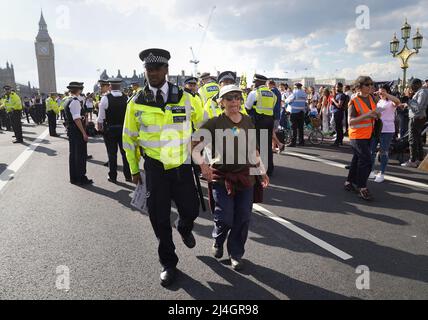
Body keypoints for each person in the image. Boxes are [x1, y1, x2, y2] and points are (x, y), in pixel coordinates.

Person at [122, 48, 200, 287]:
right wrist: (134, 169)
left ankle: (184, 226)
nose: (152, 73)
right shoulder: (136, 103)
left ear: (166, 70)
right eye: (148, 69)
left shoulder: (185, 97)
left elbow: (203, 124)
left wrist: (198, 148)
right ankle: (168, 262)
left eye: (157, 68)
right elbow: (129, 138)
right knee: (159, 218)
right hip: (155, 167)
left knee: (191, 209)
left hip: (182, 164)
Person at [193, 84, 269, 271]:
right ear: (221, 102)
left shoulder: (248, 121)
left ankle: (235, 254)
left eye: (237, 97)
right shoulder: (214, 123)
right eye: (229, 98)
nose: (234, 101)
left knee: (243, 217)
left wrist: (262, 170)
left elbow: (254, 149)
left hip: (245, 177)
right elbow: (194, 145)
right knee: (225, 217)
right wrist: (203, 165)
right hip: (221, 177)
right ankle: (218, 240)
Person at [344, 76, 380, 201]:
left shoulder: (371, 98)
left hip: (368, 134)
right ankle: (362, 187)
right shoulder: (354, 101)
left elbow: (373, 113)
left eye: (371, 84)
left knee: (357, 159)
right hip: (357, 135)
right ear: (359, 87)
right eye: (367, 84)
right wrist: (367, 115)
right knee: (367, 161)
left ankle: (349, 182)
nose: (371, 86)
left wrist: (376, 114)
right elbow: (350, 121)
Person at [97, 78, 132, 183]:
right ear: (120, 86)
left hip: (110, 129)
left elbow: (101, 117)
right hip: (124, 129)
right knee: (125, 153)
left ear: (110, 86)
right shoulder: (127, 97)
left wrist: (99, 127)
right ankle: (128, 175)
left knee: (112, 154)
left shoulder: (105, 98)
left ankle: (113, 176)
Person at [245, 74, 276, 176]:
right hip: (269, 120)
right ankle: (269, 168)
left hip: (259, 121)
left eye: (255, 82)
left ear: (258, 82)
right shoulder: (272, 93)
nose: (254, 84)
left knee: (257, 145)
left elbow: (247, 107)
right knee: (267, 144)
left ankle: (259, 169)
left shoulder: (255, 93)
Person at [369, 84, 401, 183]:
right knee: (371, 151)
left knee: (383, 152)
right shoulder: (380, 101)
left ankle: (382, 173)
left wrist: (386, 94)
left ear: (387, 91)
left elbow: (397, 102)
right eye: (380, 92)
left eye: (382, 91)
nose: (380, 93)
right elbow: (378, 113)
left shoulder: (391, 102)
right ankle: (371, 171)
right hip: (377, 129)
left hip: (387, 130)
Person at [64, 82, 93, 186]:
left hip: (71, 130)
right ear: (79, 90)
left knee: (73, 154)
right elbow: (77, 119)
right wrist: (84, 133)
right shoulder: (75, 101)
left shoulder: (67, 100)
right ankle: (81, 178)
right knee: (80, 155)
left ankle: (74, 178)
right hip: (76, 130)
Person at [400, 78, 428, 167]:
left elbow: (417, 108)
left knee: (412, 139)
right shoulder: (421, 92)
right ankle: (419, 159)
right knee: (418, 139)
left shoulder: (422, 93)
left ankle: (412, 160)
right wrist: (406, 105)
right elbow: (416, 105)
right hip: (418, 117)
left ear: (416, 85)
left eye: (411, 85)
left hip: (416, 118)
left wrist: (408, 99)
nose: (410, 88)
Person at [284, 83, 307, 147]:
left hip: (294, 112)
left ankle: (293, 142)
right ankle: (301, 142)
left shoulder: (294, 93)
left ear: (296, 87)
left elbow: (287, 101)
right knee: (300, 128)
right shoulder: (304, 94)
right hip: (301, 112)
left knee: (294, 128)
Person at [267, 80, 284, 152]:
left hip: (273, 113)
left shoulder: (272, 91)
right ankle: (273, 148)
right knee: (274, 131)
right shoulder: (278, 91)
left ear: (270, 84)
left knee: (271, 131)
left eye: (267, 85)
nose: (267, 87)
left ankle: (280, 144)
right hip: (277, 114)